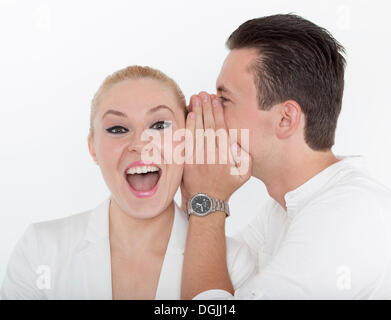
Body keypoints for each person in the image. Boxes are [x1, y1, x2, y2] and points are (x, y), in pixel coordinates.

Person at [180, 14, 391, 299]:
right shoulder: (282, 210)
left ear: (285, 119)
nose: (209, 112)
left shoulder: (348, 214)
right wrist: (193, 188)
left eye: (224, 100)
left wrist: (207, 199)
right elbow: (206, 269)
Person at [0, 65, 256, 300]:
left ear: (188, 142)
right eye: (118, 129)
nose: (140, 144)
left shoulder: (234, 264)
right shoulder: (40, 249)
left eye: (159, 125)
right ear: (93, 149)